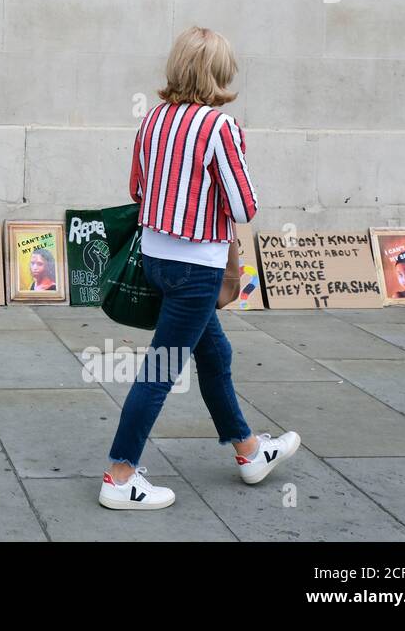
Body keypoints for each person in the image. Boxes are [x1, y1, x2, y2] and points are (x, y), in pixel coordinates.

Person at [100, 26, 300, 511]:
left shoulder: (152, 121)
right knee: (161, 370)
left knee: (216, 354)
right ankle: (120, 476)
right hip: (197, 269)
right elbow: (244, 205)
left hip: (155, 259)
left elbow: (137, 189)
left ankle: (249, 451)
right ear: (218, 73)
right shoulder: (220, 128)